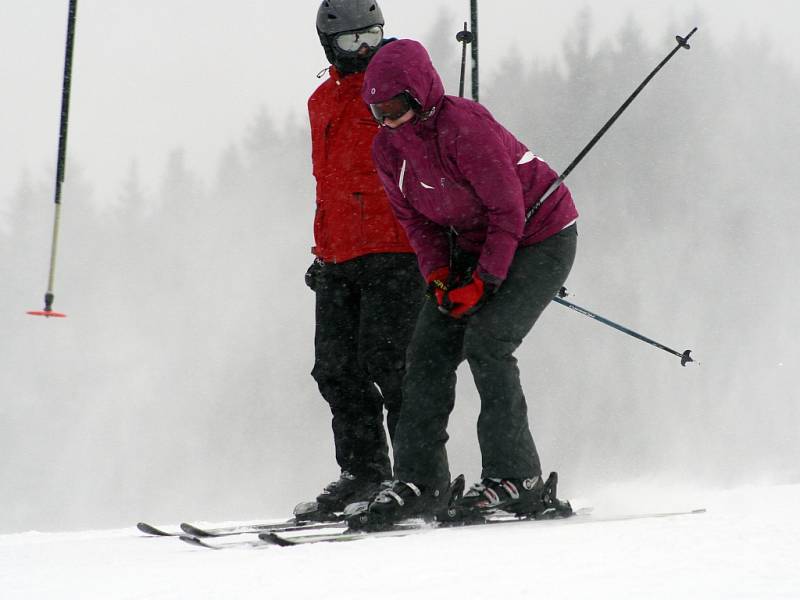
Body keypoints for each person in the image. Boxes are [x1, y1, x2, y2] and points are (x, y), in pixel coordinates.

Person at [357, 39, 579, 526]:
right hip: (474, 244)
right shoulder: (388, 149)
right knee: (427, 351)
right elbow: (418, 223)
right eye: (378, 112)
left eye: (395, 109)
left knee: (489, 341)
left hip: (541, 237)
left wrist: (485, 282)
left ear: (421, 94)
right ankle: (420, 482)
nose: (388, 122)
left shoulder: (465, 127)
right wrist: (438, 278)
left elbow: (507, 211)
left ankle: (516, 478)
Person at [303, 2, 423, 515]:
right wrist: (322, 249)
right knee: (334, 369)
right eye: (352, 41)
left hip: (395, 251)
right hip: (338, 256)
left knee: (391, 364)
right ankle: (363, 472)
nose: (365, 49)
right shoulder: (320, 101)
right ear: (329, 44)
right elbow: (328, 185)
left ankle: (417, 475)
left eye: (372, 35)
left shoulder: (397, 91)